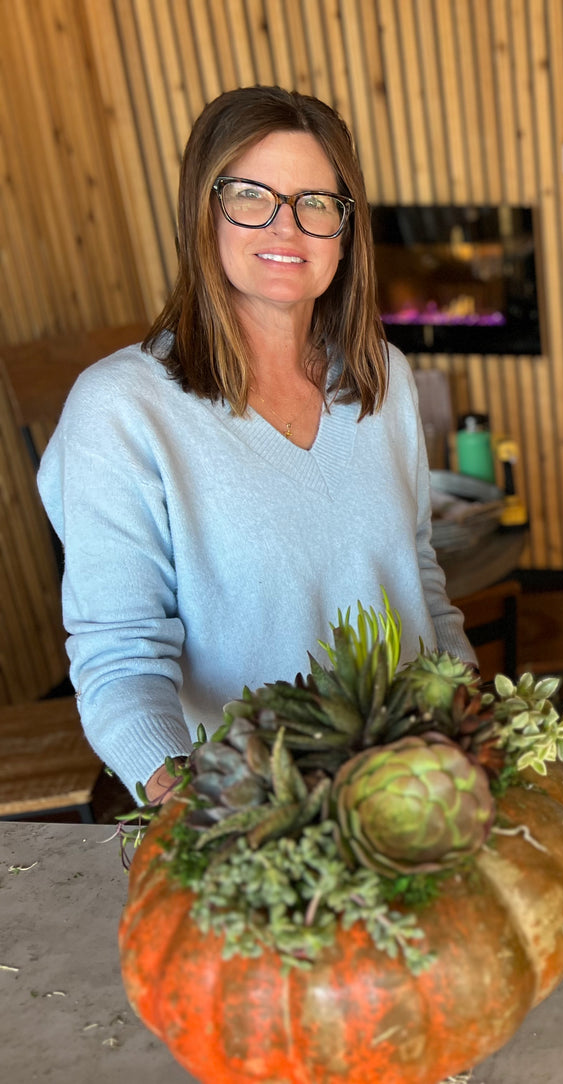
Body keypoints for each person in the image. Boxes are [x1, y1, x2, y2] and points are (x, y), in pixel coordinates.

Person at [38, 86, 474, 803]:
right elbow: (120, 659)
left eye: (316, 202)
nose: (286, 227)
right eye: (249, 195)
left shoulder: (383, 378)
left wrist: (470, 714)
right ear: (201, 210)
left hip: (418, 788)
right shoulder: (119, 410)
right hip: (253, 813)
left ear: (344, 228)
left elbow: (417, 573)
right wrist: (192, 805)